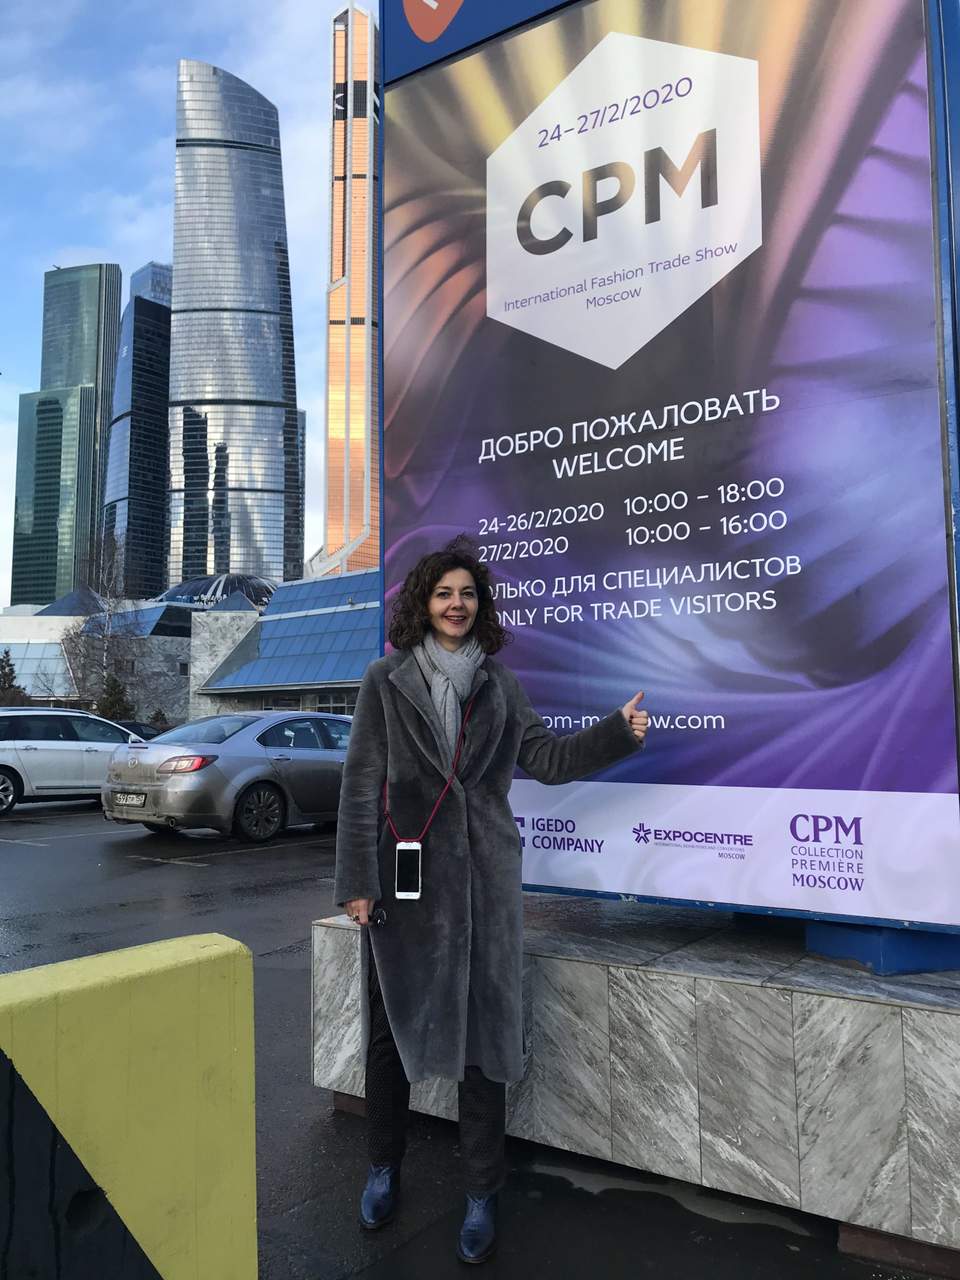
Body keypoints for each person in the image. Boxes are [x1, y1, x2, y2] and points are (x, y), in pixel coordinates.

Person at [334, 538, 649, 1265]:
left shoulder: (500, 685)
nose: (457, 604)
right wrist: (356, 881)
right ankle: (382, 1168)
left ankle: (481, 1192)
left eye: (468, 594)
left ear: (480, 605)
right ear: (424, 603)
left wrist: (615, 734)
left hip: (484, 887)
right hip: (404, 884)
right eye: (444, 593)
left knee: (483, 1042)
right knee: (388, 1036)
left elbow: (546, 760)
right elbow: (360, 783)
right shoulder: (385, 679)